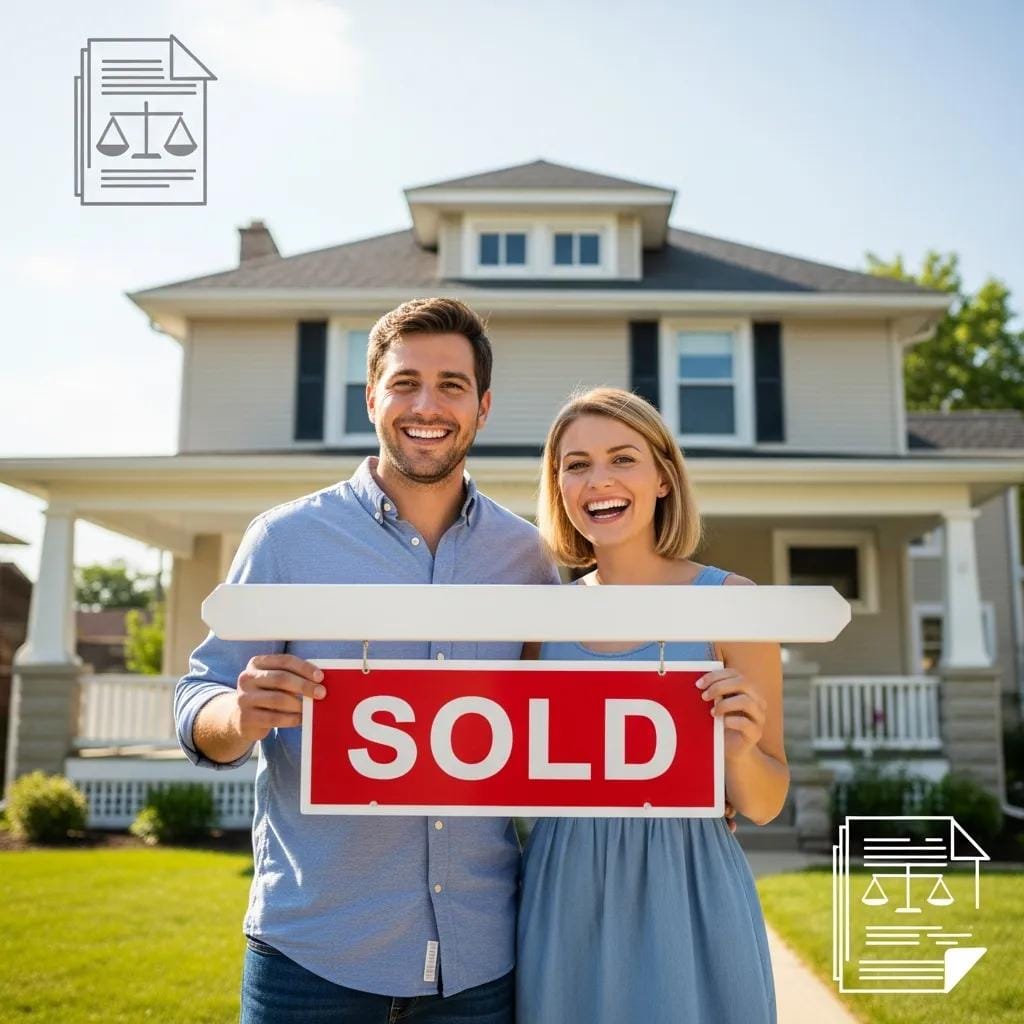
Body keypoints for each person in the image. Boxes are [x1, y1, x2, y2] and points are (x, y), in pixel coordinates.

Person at [175, 298, 560, 1024]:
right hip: (313, 957)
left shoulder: (530, 558)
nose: (427, 405)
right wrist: (238, 713)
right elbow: (200, 696)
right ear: (372, 397)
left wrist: (695, 779)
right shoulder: (287, 540)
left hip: (479, 965)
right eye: (406, 381)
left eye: (451, 385)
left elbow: (570, 717)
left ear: (482, 406)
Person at [516, 386, 787, 1024]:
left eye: (622, 458)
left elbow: (766, 801)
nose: (598, 480)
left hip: (689, 887)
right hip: (565, 889)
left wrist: (737, 752)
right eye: (576, 465)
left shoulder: (732, 603)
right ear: (558, 487)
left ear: (663, 477)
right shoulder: (538, 619)